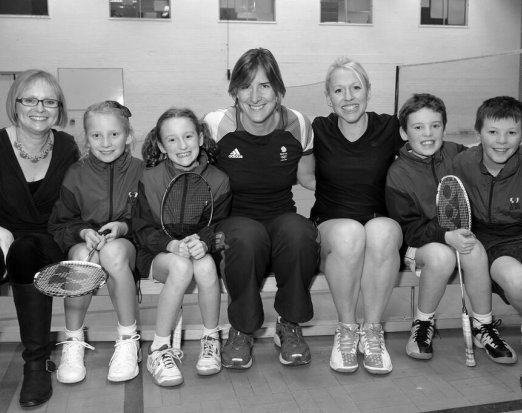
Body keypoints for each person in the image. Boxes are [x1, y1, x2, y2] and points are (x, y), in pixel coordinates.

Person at [204, 47, 319, 369]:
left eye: (264, 85)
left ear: (278, 90)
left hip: (280, 212)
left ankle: (289, 325)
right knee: (248, 238)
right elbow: (198, 179)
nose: (255, 96)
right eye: (245, 86)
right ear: (235, 92)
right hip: (234, 219)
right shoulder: (215, 125)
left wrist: (363, 192)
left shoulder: (298, 123)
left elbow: (307, 177)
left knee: (299, 232)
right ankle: (242, 329)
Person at [385, 93, 516, 363]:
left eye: (435, 125)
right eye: (418, 127)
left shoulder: (458, 154)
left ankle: (483, 326)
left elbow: (491, 149)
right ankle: (422, 324)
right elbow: (410, 229)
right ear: (403, 131)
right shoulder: (397, 173)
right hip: (419, 245)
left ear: (444, 127)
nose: (428, 133)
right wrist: (444, 235)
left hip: (459, 236)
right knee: (442, 256)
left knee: (475, 248)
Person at [310, 57, 404, 375]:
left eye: (355, 88)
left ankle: (372, 332)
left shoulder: (389, 127)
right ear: (328, 97)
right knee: (352, 232)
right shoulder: (319, 129)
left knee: (384, 232)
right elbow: (301, 174)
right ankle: (348, 330)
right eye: (339, 90)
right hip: (332, 226)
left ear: (368, 91)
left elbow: (425, 149)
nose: (348, 97)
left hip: (377, 219)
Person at [134, 107, 231, 387]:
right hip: (157, 254)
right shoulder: (149, 179)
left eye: (188, 136)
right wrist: (170, 245)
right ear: (162, 146)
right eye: (172, 140)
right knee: (180, 265)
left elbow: (220, 225)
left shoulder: (219, 180)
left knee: (206, 266)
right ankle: (159, 349)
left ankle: (211, 338)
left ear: (200, 137)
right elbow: (141, 229)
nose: (182, 145)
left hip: (197, 250)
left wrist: (204, 241)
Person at [48, 101, 144, 384]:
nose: (105, 143)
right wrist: (81, 233)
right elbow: (59, 223)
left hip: (127, 245)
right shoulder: (75, 174)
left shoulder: (143, 171)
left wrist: (125, 226)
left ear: (128, 136)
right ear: (85, 138)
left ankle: (128, 340)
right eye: (96, 135)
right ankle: (73, 342)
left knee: (113, 253)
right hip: (87, 245)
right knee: (80, 258)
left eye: (114, 134)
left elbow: (151, 220)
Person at [0, 69, 79, 407]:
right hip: (2, 236)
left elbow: (77, 201)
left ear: (59, 108)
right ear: (14, 103)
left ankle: (36, 363)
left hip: (49, 239)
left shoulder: (66, 146)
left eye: (49, 101)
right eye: (29, 99)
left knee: (26, 251)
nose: (39, 108)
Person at [452, 96, 522, 349]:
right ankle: (483, 326)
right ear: (479, 133)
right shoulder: (462, 163)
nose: (501, 141)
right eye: (492, 132)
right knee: (516, 279)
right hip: (490, 244)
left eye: (512, 132)